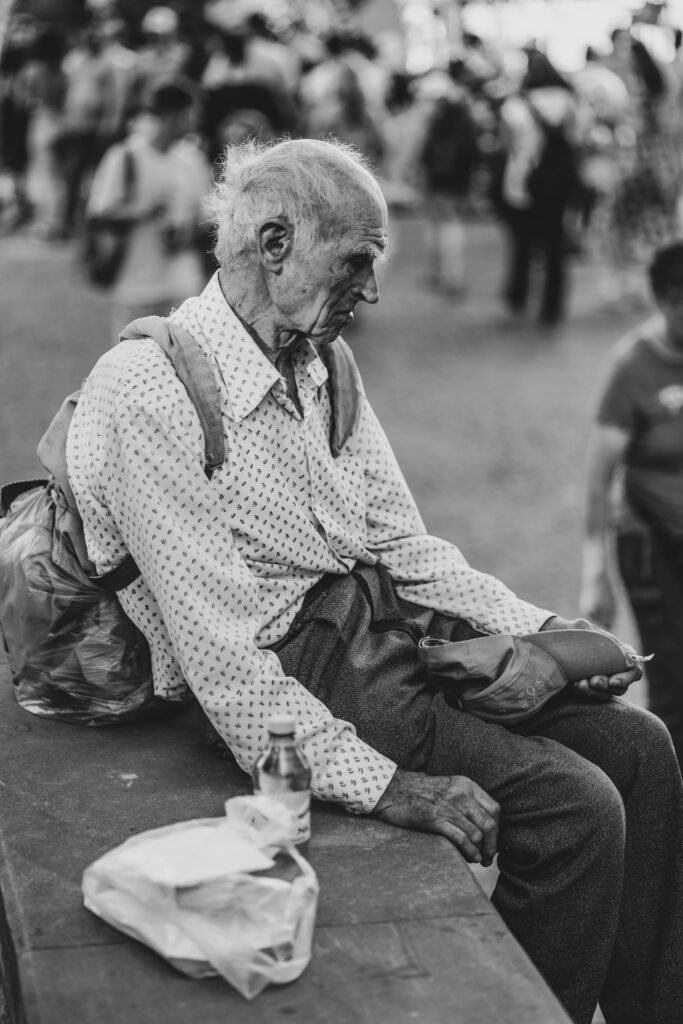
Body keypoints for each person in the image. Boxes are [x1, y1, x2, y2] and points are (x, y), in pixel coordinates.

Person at [66, 137, 683, 1024]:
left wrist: (549, 632)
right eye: (356, 259)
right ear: (274, 244)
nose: (373, 288)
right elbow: (227, 663)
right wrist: (392, 788)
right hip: (296, 666)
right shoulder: (147, 390)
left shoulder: (323, 366)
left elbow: (404, 546)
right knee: (575, 808)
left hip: (373, 634)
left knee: (644, 750)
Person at [580, 240, 683, 768]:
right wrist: (595, 573)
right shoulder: (634, 367)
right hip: (649, 544)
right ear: (668, 300)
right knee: (673, 679)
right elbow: (600, 478)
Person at [85, 78, 211, 335]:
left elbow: (206, 215)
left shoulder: (192, 160)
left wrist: (186, 232)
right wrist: (144, 211)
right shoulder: (125, 156)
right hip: (136, 281)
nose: (193, 122)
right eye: (189, 114)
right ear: (173, 115)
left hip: (182, 279)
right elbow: (99, 214)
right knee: (132, 358)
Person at [497, 52, 583, 326]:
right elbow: (579, 139)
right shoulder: (571, 101)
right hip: (559, 182)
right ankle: (552, 307)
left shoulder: (516, 105)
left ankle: (519, 294)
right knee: (556, 243)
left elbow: (504, 144)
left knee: (522, 242)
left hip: (522, 181)